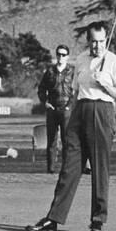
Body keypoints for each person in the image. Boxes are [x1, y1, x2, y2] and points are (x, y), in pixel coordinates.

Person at [26, 22, 116, 231]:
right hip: (80, 110)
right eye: (94, 41)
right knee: (69, 167)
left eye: (101, 41)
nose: (98, 46)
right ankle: (53, 218)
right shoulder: (80, 59)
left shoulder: (114, 62)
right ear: (88, 41)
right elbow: (75, 90)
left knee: (99, 169)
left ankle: (97, 221)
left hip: (102, 111)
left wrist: (104, 84)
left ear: (105, 40)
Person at [38, 44, 75, 173]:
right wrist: (45, 102)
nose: (61, 57)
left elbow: (76, 91)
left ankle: (66, 168)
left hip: (66, 110)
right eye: (59, 54)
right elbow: (41, 89)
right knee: (52, 140)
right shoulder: (50, 71)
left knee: (66, 140)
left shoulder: (72, 72)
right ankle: (51, 169)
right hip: (52, 109)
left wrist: (69, 106)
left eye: (63, 55)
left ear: (67, 57)